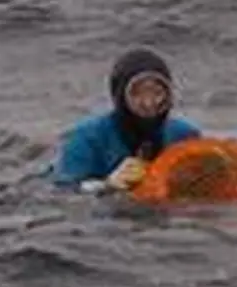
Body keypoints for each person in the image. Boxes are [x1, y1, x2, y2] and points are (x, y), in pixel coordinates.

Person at [54, 48, 202, 192]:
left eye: (157, 93)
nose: (148, 103)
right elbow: (62, 189)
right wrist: (107, 184)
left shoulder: (186, 137)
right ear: (120, 97)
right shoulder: (87, 138)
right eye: (137, 94)